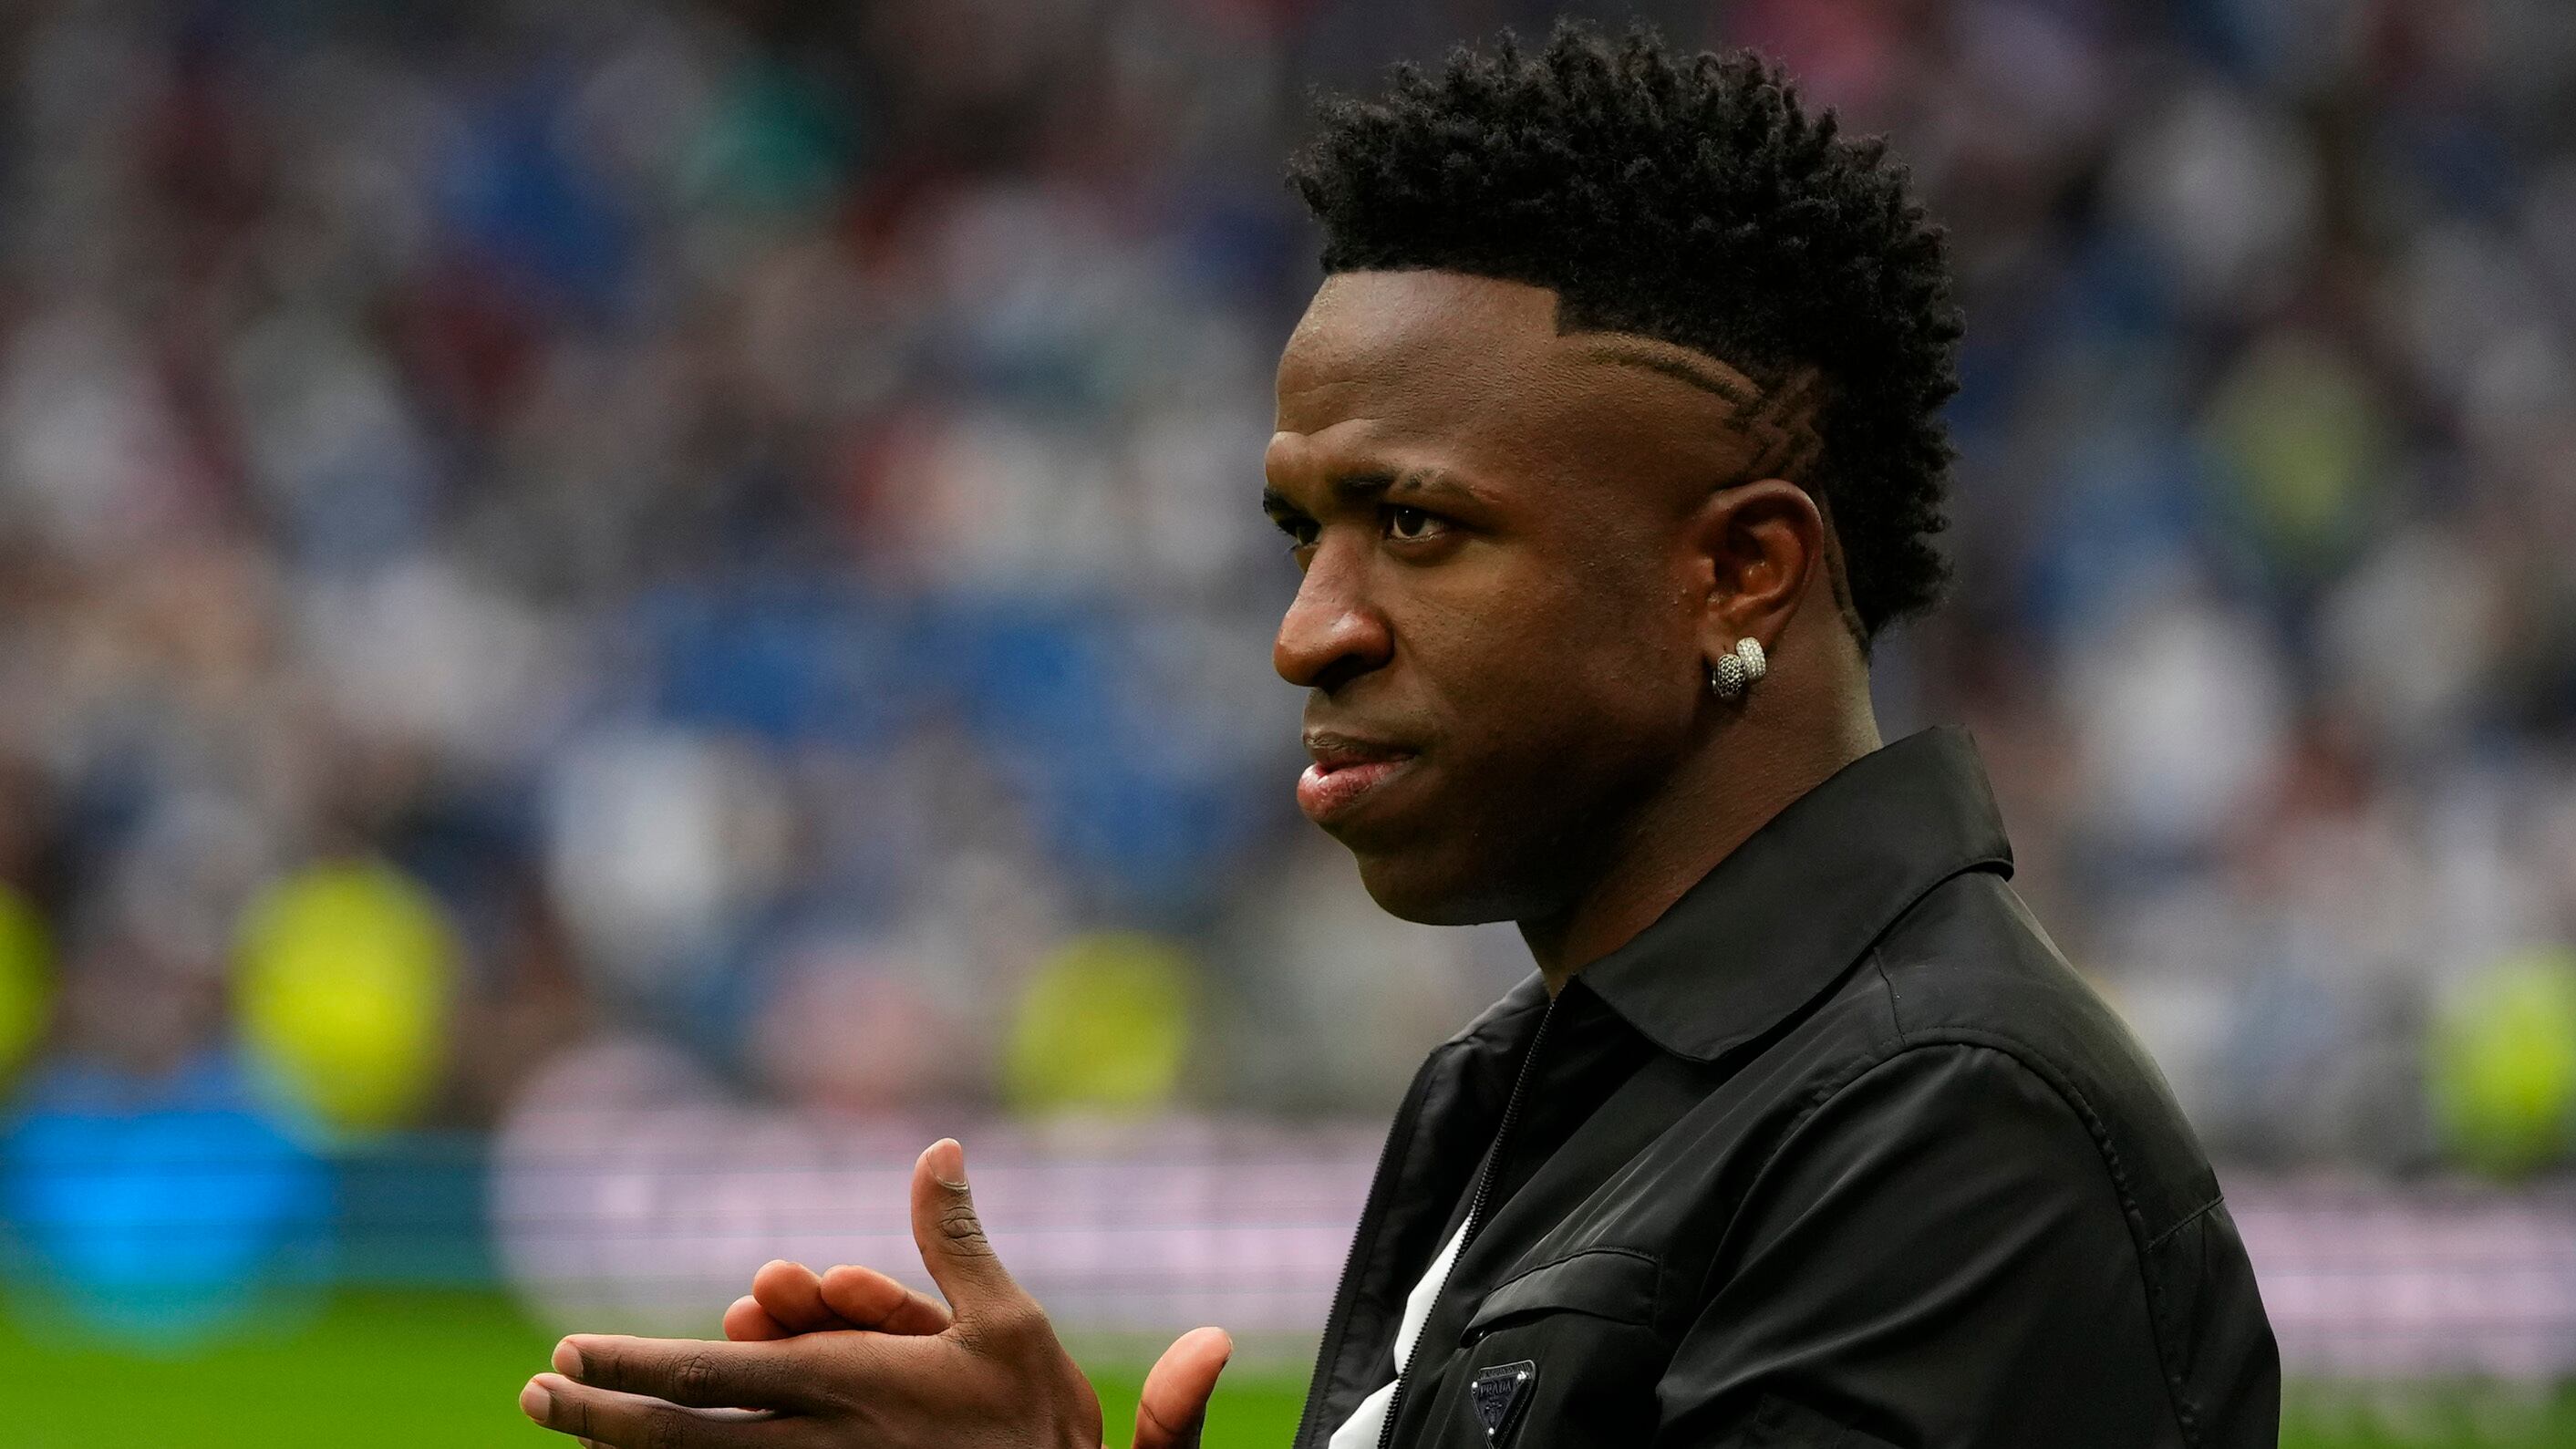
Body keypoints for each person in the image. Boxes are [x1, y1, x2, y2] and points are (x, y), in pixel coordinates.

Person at [517, 24, 2280, 1448]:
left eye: (1416, 524)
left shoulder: (1949, 1126)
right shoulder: (1518, 1089)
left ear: (1739, 570)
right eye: (1304, 533)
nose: (1310, 628)